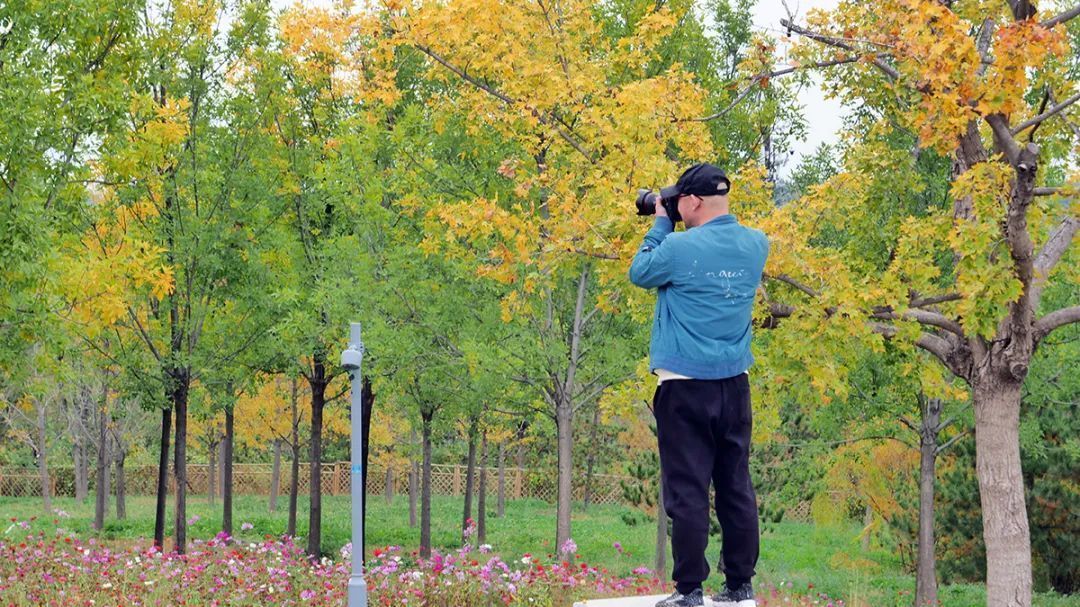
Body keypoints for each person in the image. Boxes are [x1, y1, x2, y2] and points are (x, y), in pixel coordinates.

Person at [628, 163, 769, 607]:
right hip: (735, 385)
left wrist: (659, 222)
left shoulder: (677, 247)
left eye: (679, 203)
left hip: (685, 387)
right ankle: (739, 584)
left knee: (687, 490)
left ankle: (689, 590)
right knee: (735, 485)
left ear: (692, 203)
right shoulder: (757, 244)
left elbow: (640, 270)